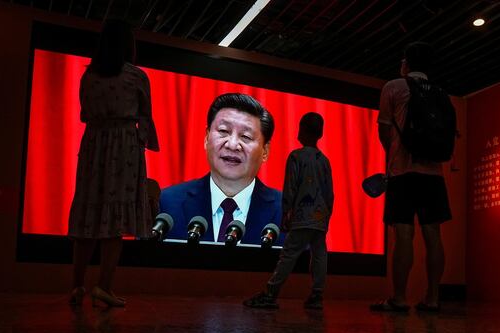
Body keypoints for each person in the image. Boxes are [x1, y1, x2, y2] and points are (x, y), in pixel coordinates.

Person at [67, 19, 159, 308]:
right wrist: (140, 141)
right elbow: (145, 115)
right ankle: (103, 287)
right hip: (123, 146)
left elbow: (84, 112)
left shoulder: (89, 76)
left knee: (88, 216)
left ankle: (77, 286)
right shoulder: (136, 76)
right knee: (115, 220)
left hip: (94, 143)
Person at [371, 42, 452, 313]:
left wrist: (394, 155)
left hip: (402, 172)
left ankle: (400, 298)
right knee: (433, 234)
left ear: (405, 63)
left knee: (403, 234)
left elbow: (384, 131)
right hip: (433, 174)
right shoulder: (441, 94)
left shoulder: (393, 87)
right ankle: (433, 298)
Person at [159, 93, 283, 246]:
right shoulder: (166, 204)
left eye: (246, 136)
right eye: (224, 131)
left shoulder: (288, 214)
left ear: (265, 151)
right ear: (206, 138)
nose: (232, 144)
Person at [243, 112, 333, 309]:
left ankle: (271, 292)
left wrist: (286, 212)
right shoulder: (323, 160)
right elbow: (329, 192)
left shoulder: (296, 157)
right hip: (320, 218)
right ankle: (317, 295)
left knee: (289, 254)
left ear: (303, 130)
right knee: (319, 254)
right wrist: (327, 216)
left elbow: (291, 186)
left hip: (302, 216)